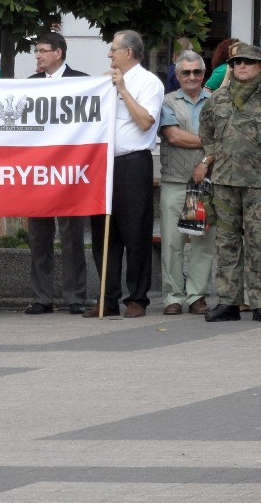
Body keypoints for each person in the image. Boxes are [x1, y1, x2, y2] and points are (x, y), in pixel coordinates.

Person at [199, 44, 261, 323]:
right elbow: (205, 130)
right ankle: (228, 301)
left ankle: (260, 302)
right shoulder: (218, 99)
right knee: (227, 243)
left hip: (259, 185)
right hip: (224, 182)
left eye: (248, 62)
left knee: (259, 243)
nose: (241, 66)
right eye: (237, 62)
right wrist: (212, 155)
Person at [83, 30, 164, 318]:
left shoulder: (148, 82)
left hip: (132, 163)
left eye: (113, 49)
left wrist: (124, 91)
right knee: (104, 232)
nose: (109, 54)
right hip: (103, 165)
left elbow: (145, 122)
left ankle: (137, 298)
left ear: (128, 52)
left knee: (135, 233)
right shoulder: (106, 81)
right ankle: (107, 298)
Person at [24, 32, 89, 315]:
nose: (37, 55)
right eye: (36, 51)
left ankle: (75, 296)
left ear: (58, 53)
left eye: (42, 50)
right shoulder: (30, 86)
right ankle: (42, 297)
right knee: (39, 236)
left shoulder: (83, 82)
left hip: (70, 170)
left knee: (72, 235)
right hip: (38, 171)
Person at [158, 50, 214, 315]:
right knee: (172, 242)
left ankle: (197, 296)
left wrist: (207, 159)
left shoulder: (216, 101)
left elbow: (225, 137)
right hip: (175, 181)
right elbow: (174, 137)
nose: (192, 77)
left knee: (204, 242)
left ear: (204, 74)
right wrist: (212, 142)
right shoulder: (167, 102)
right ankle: (172, 296)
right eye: (186, 72)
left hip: (209, 183)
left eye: (197, 72)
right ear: (177, 75)